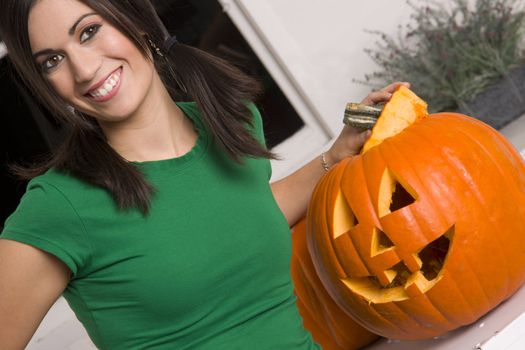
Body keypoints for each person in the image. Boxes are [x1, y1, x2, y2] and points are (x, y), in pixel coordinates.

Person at [0, 0, 407, 348]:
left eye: (88, 32)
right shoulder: (60, 206)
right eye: (52, 60)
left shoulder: (234, 122)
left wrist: (334, 156)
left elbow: (242, 217)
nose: (84, 70)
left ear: (136, 20)